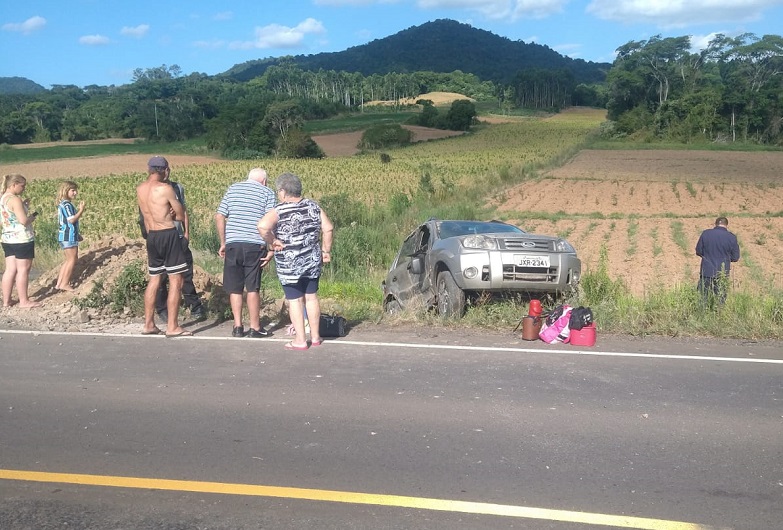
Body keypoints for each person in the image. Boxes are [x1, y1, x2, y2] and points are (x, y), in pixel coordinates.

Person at [257, 172, 334, 350]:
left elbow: (262, 226)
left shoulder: (280, 210)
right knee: (312, 298)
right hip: (312, 259)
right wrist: (325, 251)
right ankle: (315, 337)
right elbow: (328, 228)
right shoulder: (314, 207)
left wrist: (272, 241)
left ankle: (300, 340)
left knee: (295, 300)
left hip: (289, 263)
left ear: (283, 192)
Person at [215, 167, 276, 338]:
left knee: (235, 288)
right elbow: (270, 222)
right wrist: (271, 248)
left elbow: (219, 215)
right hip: (254, 245)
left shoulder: (233, 188)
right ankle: (255, 328)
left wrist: (223, 242)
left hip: (233, 244)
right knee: (252, 287)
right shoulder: (267, 192)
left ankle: (237, 327)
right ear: (264, 181)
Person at [137, 156, 191, 337]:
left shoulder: (140, 189)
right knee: (176, 280)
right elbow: (180, 214)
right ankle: (173, 326)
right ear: (165, 170)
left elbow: (145, 217)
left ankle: (148, 324)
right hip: (167, 233)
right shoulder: (166, 188)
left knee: (154, 279)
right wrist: (173, 212)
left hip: (151, 236)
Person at [151, 170, 205, 322]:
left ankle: (194, 305)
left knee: (186, 273)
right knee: (161, 277)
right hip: (160, 236)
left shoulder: (177, 187)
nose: (165, 173)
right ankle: (162, 309)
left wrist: (187, 233)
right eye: (162, 170)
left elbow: (184, 210)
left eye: (167, 169)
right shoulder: (150, 189)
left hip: (178, 236)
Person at [1, 174, 41, 308]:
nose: (23, 189)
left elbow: (11, 215)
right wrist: (32, 216)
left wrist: (23, 206)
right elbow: (23, 221)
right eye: (22, 186)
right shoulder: (15, 199)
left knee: (10, 269)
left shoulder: (3, 198)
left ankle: (6, 301)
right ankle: (24, 301)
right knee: (23, 270)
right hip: (22, 239)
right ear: (13, 185)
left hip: (8, 238)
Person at [695, 216, 740, 307]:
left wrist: (708, 256)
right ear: (726, 225)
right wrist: (726, 259)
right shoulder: (732, 237)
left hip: (706, 271)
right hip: (722, 273)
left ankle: (701, 316)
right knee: (720, 298)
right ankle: (718, 316)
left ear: (715, 224)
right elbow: (735, 257)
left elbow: (699, 251)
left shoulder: (706, 234)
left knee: (702, 297)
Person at [55, 180, 86, 291]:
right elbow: (71, 220)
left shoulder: (62, 204)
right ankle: (65, 283)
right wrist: (81, 210)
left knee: (68, 260)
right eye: (73, 190)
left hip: (65, 235)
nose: (75, 193)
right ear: (66, 191)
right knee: (72, 259)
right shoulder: (67, 204)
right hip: (68, 235)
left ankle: (59, 283)